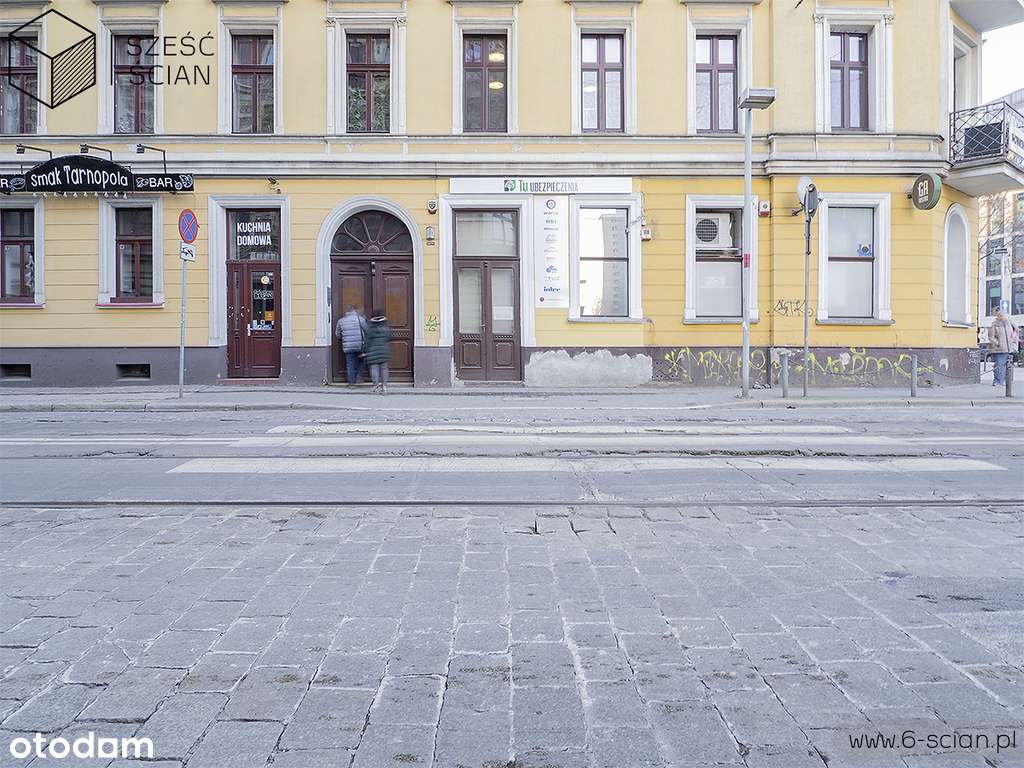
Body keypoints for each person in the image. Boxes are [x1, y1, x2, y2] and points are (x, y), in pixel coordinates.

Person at [335, 305, 367, 385]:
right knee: (363, 360)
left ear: (347, 312)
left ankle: (351, 383)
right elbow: (367, 330)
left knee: (350, 364)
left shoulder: (341, 321)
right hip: (360, 345)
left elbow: (338, 334)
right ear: (355, 311)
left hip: (348, 346)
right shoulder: (360, 319)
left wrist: (344, 338)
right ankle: (358, 375)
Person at [363, 309, 392, 394]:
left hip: (373, 350)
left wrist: (364, 350)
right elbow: (389, 337)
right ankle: (384, 387)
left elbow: (367, 340)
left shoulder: (370, 327)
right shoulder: (386, 326)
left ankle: (376, 386)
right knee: (384, 369)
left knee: (374, 368)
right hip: (384, 350)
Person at [988, 309, 1019, 387]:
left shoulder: (1009, 323)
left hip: (1009, 349)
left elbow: (1016, 330)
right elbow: (991, 337)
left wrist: (1013, 340)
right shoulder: (994, 325)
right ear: (997, 316)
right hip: (999, 349)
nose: (1002, 317)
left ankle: (1005, 381)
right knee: (999, 365)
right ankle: (998, 381)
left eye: (1003, 315)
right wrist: (998, 344)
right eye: (1000, 315)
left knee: (1007, 366)